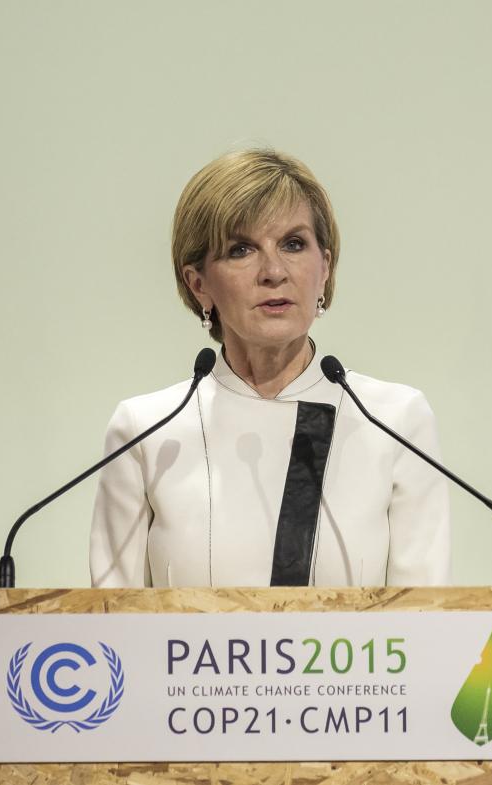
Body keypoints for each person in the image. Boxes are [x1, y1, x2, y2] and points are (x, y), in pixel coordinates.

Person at [89, 149, 450, 588]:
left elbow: (425, 626)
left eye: (294, 244)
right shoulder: (145, 431)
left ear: (325, 268)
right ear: (198, 284)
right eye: (241, 249)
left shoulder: (394, 421)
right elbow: (109, 628)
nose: (274, 271)